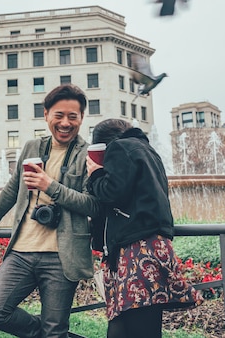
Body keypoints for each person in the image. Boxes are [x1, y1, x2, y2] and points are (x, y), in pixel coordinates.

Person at [0, 83, 99, 337]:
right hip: (21, 251)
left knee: (56, 329)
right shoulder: (32, 148)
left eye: (72, 117)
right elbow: (12, 188)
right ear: (46, 115)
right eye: (58, 115)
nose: (65, 123)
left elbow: (92, 204)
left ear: (82, 118)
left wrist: (50, 186)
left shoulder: (88, 155)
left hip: (63, 256)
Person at [85, 119, 202, 338]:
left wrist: (96, 174)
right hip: (150, 244)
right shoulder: (148, 151)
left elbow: (112, 192)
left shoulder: (119, 148)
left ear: (103, 144)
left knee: (134, 325)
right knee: (132, 321)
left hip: (136, 249)